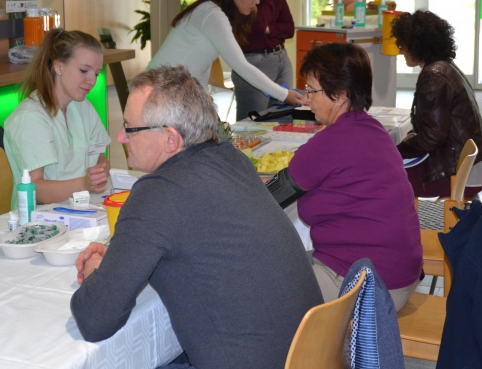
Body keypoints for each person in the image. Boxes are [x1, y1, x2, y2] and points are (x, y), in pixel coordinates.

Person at [71, 66, 322, 369]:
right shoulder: (232, 159)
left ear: (170, 139)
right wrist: (121, 257)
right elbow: (198, 240)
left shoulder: (156, 193)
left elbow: (95, 319)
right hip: (308, 355)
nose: (120, 136)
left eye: (129, 127)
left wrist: (97, 273)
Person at [286, 42, 422, 311]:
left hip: (371, 288)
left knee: (258, 283)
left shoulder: (330, 142)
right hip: (399, 274)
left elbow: (274, 194)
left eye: (312, 90)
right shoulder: (375, 130)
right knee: (285, 262)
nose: (307, 99)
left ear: (339, 96)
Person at [148, 0, 306, 110]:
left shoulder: (215, 11)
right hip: (160, 92)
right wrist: (284, 94)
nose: (257, 1)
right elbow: (241, 66)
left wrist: (201, 93)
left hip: (170, 89)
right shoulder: (212, 15)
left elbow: (202, 59)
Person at [390, 10, 482, 197]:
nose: (400, 51)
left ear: (417, 45)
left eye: (402, 45)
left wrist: (395, 151)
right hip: (471, 165)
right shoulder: (446, 66)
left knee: (381, 175)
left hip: (461, 173)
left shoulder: (434, 75)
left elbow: (432, 137)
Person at [4, 29, 111, 206]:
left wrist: (100, 171)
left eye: (96, 73)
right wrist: (84, 184)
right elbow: (35, 190)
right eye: (84, 70)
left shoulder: (83, 107)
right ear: (59, 66)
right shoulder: (30, 118)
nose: (92, 80)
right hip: (40, 217)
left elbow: (99, 157)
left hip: (80, 206)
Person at [232, 0, 296, 120]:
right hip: (254, 61)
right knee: (252, 124)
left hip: (281, 58)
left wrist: (269, 30)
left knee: (283, 119)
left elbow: (289, 28)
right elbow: (259, 25)